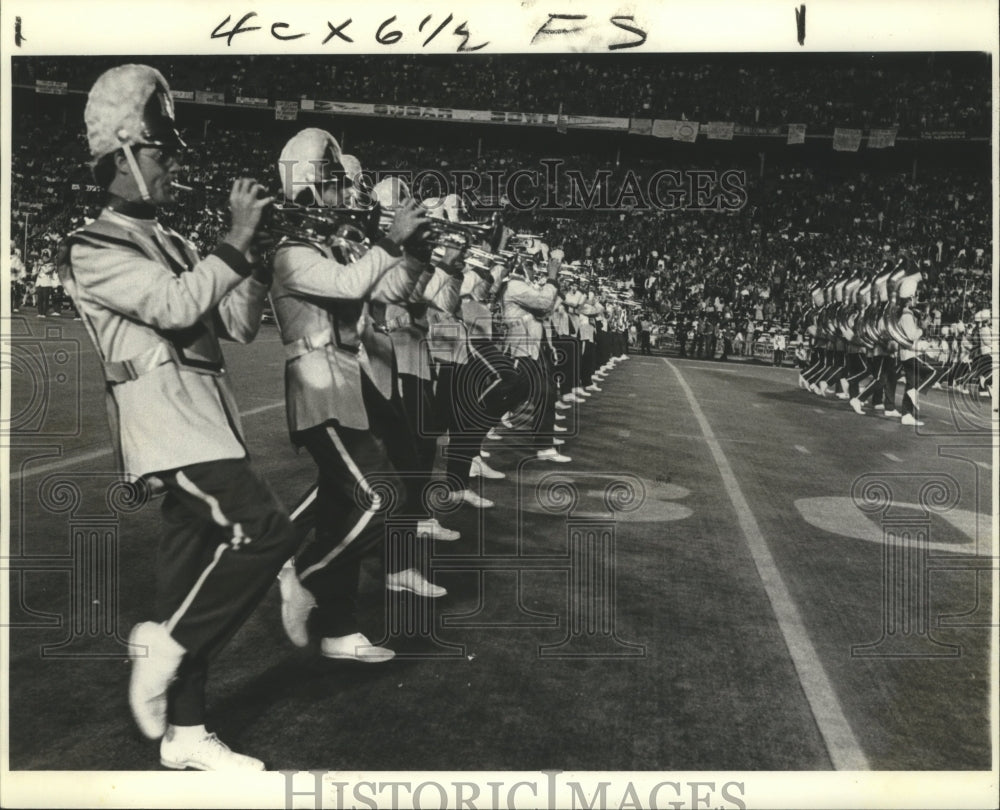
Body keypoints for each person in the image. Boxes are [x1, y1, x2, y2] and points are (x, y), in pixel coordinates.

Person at [59, 64, 298, 770]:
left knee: (189, 569)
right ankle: (164, 647)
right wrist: (232, 239)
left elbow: (234, 323)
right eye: (162, 155)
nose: (172, 168)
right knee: (266, 531)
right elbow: (170, 308)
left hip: (202, 417)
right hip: (165, 424)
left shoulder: (179, 243)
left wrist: (252, 257)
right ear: (125, 157)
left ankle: (187, 733)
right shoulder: (92, 246)